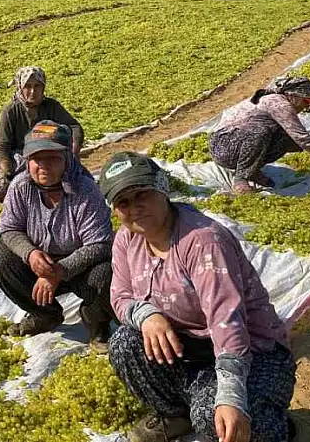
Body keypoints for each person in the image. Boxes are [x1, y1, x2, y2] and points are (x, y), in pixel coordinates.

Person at [100, 152, 297, 442]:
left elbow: (227, 322)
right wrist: (147, 315)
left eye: (142, 194)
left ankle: (273, 425)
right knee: (124, 343)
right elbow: (120, 296)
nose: (134, 208)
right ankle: (176, 415)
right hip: (189, 351)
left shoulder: (202, 242)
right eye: (123, 203)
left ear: (162, 188)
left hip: (254, 354)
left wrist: (230, 396)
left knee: (214, 418)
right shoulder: (127, 239)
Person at [0, 120, 114, 348]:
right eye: (38, 159)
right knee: (2, 259)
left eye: (53, 158)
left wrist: (59, 271)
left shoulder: (85, 190)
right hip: (40, 263)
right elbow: (9, 229)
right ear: (28, 161)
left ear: (67, 159)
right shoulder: (21, 187)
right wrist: (31, 254)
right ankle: (45, 314)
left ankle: (97, 323)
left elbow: (100, 244)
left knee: (105, 273)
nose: (44, 166)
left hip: (80, 267)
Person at [208, 76, 310, 194]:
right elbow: (303, 138)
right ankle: (241, 179)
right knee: (260, 133)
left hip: (238, 143)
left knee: (286, 137)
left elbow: (298, 139)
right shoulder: (279, 103)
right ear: (293, 96)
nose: (306, 107)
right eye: (305, 102)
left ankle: (251, 170)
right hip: (224, 146)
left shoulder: (283, 101)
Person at [0, 66, 85, 202]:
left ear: (43, 87)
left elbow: (75, 127)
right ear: (20, 87)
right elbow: (2, 147)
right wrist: (7, 171)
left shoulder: (51, 107)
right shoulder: (10, 111)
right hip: (21, 156)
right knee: (2, 189)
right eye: (28, 86)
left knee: (78, 181)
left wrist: (73, 152)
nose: (33, 91)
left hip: (50, 151)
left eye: (37, 86)